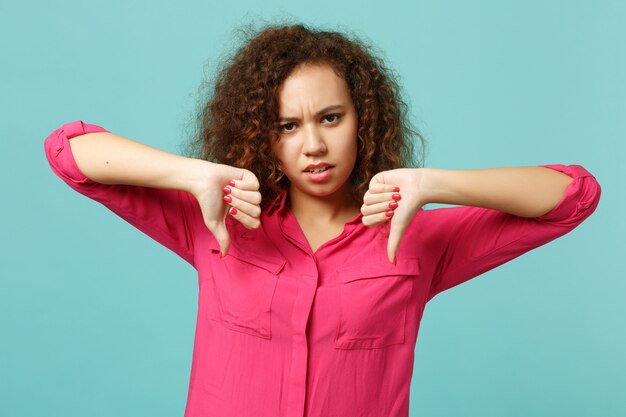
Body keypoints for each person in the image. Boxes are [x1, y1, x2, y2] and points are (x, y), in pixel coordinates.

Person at [44, 23, 601, 417]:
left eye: (330, 117)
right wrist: (192, 174)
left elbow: (574, 194)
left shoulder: (415, 238)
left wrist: (435, 184)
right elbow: (70, 152)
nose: (313, 144)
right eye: (287, 126)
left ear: (363, 120)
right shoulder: (216, 219)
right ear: (263, 134)